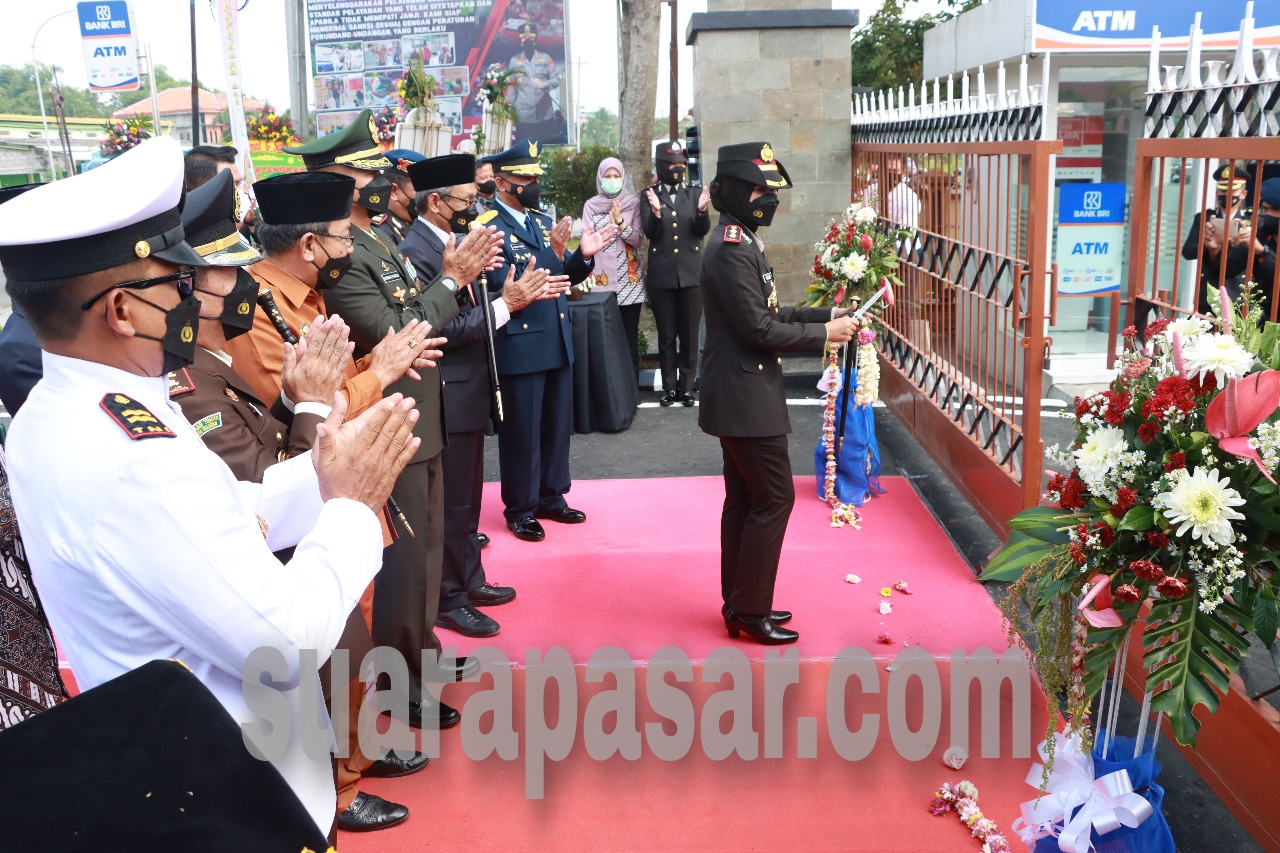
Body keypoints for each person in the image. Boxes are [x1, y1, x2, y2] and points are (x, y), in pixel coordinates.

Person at [0, 136, 422, 837]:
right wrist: (350, 507)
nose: (194, 294)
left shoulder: (78, 403)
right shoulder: (129, 455)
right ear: (121, 310)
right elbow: (283, 646)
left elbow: (227, 511)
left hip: (197, 771)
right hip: (236, 799)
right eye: (177, 283)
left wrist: (321, 476)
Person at [283, 110, 499, 734]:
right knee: (402, 564)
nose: (381, 181)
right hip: (383, 421)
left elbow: (411, 311)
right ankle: (403, 684)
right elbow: (392, 329)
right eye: (366, 172)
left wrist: (446, 288)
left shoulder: (373, 239)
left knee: (426, 555)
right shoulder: (347, 255)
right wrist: (454, 280)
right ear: (335, 179)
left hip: (415, 418)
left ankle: (419, 656)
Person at [699, 141, 857, 645]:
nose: (768, 198)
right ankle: (749, 608)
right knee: (773, 497)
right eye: (761, 189)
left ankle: (742, 602)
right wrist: (823, 338)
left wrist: (825, 316)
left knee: (746, 500)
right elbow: (758, 330)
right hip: (745, 399)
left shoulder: (741, 240)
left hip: (743, 394)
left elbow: (772, 313)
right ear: (737, 191)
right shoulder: (729, 248)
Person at [402, 153, 566, 637]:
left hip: (469, 389)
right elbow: (439, 329)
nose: (476, 206)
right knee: (450, 502)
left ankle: (468, 578)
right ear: (435, 202)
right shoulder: (418, 251)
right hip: (447, 391)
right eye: (467, 199)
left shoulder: (452, 242)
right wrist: (506, 305)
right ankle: (448, 597)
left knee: (467, 500)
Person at [481, 138, 617, 541]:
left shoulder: (540, 220)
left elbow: (562, 276)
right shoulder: (489, 224)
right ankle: (521, 507)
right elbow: (495, 281)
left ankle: (551, 496)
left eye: (535, 176)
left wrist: (581, 256)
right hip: (521, 340)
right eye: (525, 177)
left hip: (555, 335)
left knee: (557, 425)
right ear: (503, 182)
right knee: (522, 430)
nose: (533, 183)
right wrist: (552, 256)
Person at [641, 141, 710, 406]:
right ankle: (669, 387)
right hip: (662, 276)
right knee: (667, 334)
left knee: (690, 334)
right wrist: (656, 214)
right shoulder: (648, 194)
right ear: (661, 164)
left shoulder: (693, 194)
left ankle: (687, 387)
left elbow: (701, 230)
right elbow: (650, 232)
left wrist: (702, 210)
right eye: (672, 163)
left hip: (692, 276)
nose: (677, 167)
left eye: (681, 163)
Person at [583, 157, 647, 377]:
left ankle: (632, 392)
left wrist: (620, 222)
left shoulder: (632, 204)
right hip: (601, 282)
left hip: (629, 283)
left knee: (629, 338)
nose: (612, 180)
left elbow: (638, 240)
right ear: (600, 178)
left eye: (616, 176)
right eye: (607, 176)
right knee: (605, 340)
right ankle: (610, 395)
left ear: (623, 177)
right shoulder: (591, 206)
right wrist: (608, 227)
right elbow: (587, 240)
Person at [1182, 164, 1258, 314]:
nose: (1227, 194)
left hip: (1239, 294)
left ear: (1243, 194)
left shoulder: (1252, 220)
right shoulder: (1204, 217)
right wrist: (1209, 243)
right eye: (1223, 190)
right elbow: (1187, 252)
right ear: (1217, 192)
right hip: (1208, 292)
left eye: (1233, 190)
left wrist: (1234, 241)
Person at [505, 24, 560, 134]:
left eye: (531, 38)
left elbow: (556, 80)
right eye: (525, 38)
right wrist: (511, 112)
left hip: (544, 116)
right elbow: (512, 89)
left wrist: (545, 83)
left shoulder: (545, 58)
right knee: (525, 150)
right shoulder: (514, 61)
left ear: (535, 39)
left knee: (544, 148)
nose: (528, 41)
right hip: (523, 118)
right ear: (521, 40)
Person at [376, 148, 427, 245]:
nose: (424, 197)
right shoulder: (382, 232)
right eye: (419, 190)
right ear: (393, 191)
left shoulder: (418, 224)